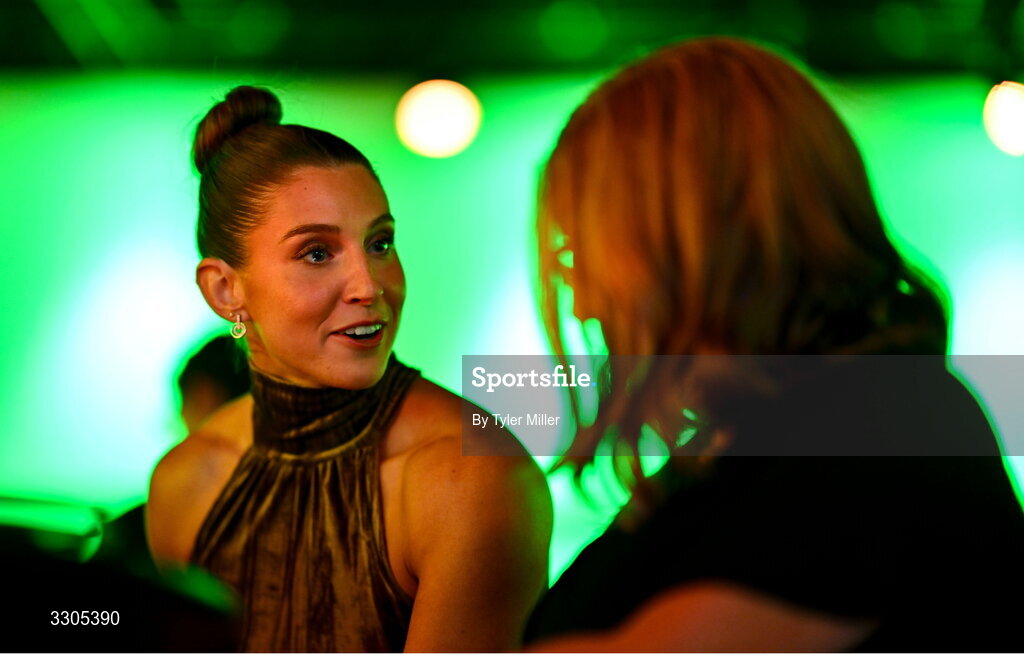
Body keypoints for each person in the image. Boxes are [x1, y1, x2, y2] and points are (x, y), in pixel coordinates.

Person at [524, 38, 1024, 651]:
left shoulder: (882, 423)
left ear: (696, 235)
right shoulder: (757, 443)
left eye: (592, 256)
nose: (584, 305)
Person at [146, 86, 551, 652]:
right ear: (224, 289)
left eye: (380, 243)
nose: (371, 286)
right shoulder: (183, 482)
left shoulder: (471, 477)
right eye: (317, 252)